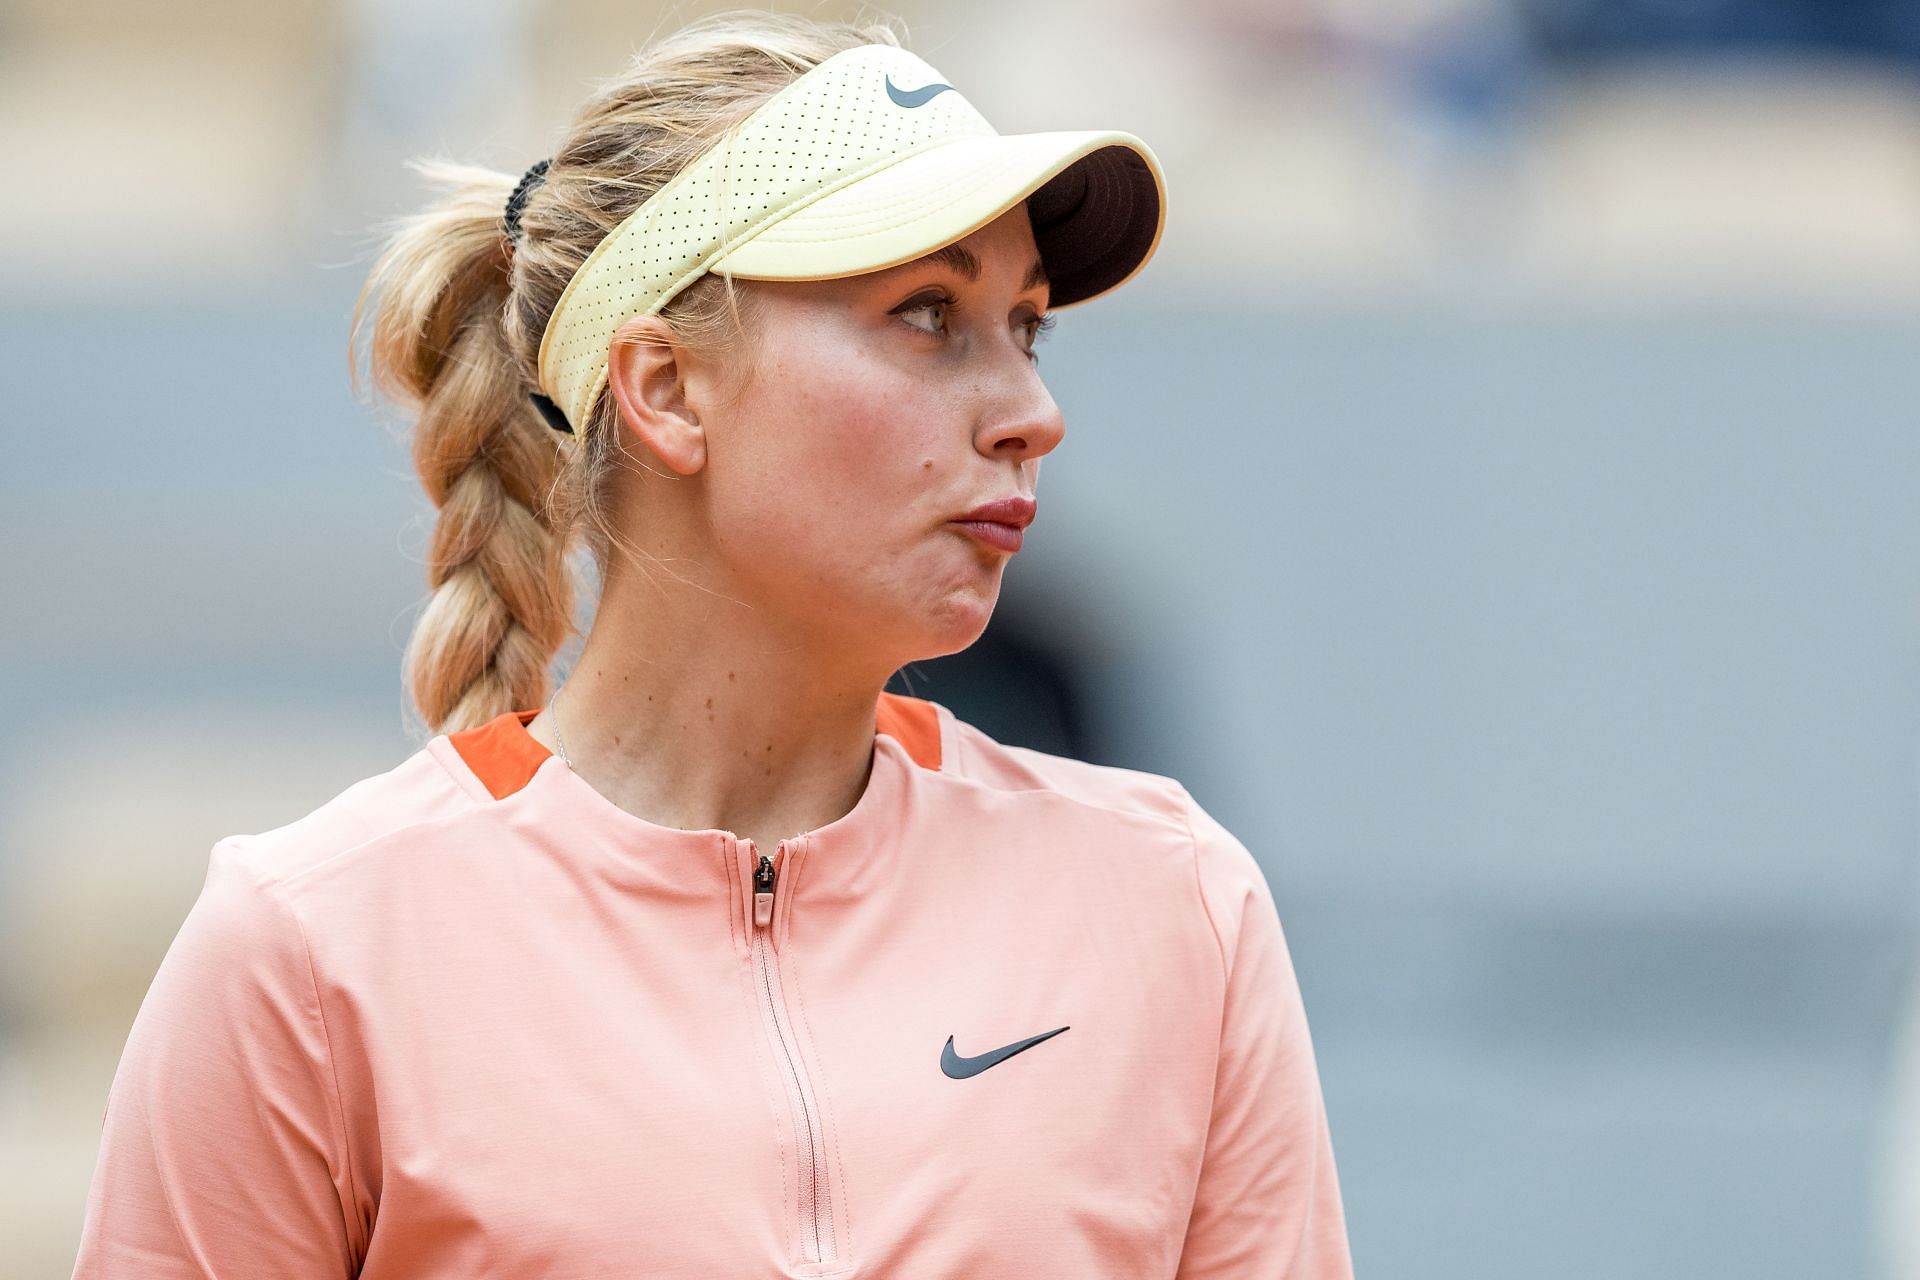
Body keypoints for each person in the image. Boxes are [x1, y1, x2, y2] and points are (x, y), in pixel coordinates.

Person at [69, 11, 1354, 1277]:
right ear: (668, 386)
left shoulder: (1176, 904)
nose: (1033, 412)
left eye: (1027, 326)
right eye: (925, 314)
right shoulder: (306, 951)